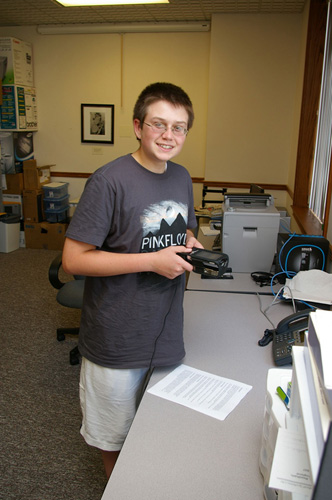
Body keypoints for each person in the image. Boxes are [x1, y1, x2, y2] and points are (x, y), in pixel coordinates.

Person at [62, 82, 203, 478]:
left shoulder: (181, 176)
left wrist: (190, 241)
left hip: (165, 329)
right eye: (159, 124)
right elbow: (74, 260)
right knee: (116, 437)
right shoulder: (109, 181)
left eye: (179, 127)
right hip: (117, 337)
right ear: (138, 126)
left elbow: (186, 230)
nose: (168, 135)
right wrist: (150, 262)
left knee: (160, 429)